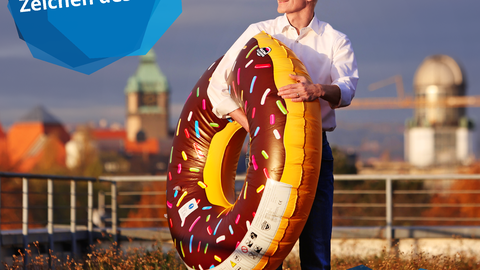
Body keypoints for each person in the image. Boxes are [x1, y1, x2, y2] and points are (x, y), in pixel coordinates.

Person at [207, 0, 358, 269]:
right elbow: (217, 87)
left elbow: (346, 89)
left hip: (314, 149)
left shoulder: (335, 40)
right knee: (261, 247)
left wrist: (317, 90)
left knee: (316, 246)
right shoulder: (259, 32)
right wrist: (253, 127)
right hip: (266, 151)